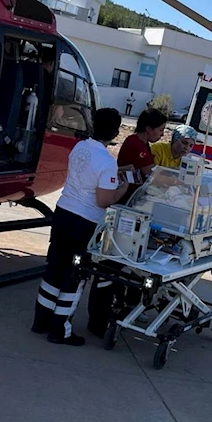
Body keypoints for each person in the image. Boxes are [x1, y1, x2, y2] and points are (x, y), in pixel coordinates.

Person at [31, 107, 128, 346]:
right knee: (75, 275)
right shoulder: (107, 163)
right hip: (84, 222)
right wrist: (121, 190)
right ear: (115, 132)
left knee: (54, 268)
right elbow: (103, 200)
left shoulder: (79, 148)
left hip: (63, 211)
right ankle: (60, 329)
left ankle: (40, 320)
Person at [116, 108, 168, 203]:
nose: (163, 134)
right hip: (127, 197)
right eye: (161, 130)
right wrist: (177, 182)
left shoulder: (143, 143)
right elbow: (151, 174)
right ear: (148, 128)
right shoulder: (136, 144)